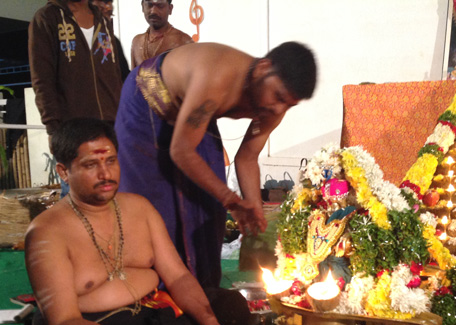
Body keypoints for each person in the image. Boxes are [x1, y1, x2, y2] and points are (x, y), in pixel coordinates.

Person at [24, 118, 251, 325]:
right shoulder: (47, 232)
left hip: (148, 311)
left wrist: (211, 324)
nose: (106, 174)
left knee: (232, 307)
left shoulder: (139, 209)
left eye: (111, 161)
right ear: (64, 171)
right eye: (91, 165)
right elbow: (64, 323)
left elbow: (178, 277)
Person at [115, 41, 317, 288]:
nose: (279, 109)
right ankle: (156, 298)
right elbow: (181, 151)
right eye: (279, 97)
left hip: (192, 118)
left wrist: (253, 206)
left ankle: (203, 293)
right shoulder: (218, 77)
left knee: (209, 210)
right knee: (156, 211)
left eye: (289, 105)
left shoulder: (275, 104)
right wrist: (232, 200)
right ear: (264, 68)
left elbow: (247, 156)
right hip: (148, 101)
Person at [28, 0, 123, 137]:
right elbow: (42, 79)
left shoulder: (101, 19)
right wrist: (53, 127)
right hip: (72, 127)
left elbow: (115, 73)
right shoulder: (47, 18)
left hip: (111, 124)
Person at [130, 0, 193, 69]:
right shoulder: (137, 41)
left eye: (160, 6)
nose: (153, 11)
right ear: (142, 7)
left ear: (170, 9)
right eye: (149, 5)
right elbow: (132, 78)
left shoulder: (183, 41)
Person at [91, 0, 131, 80]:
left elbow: (125, 77)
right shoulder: (77, 38)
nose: (109, 7)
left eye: (110, 2)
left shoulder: (114, 41)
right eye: (104, 1)